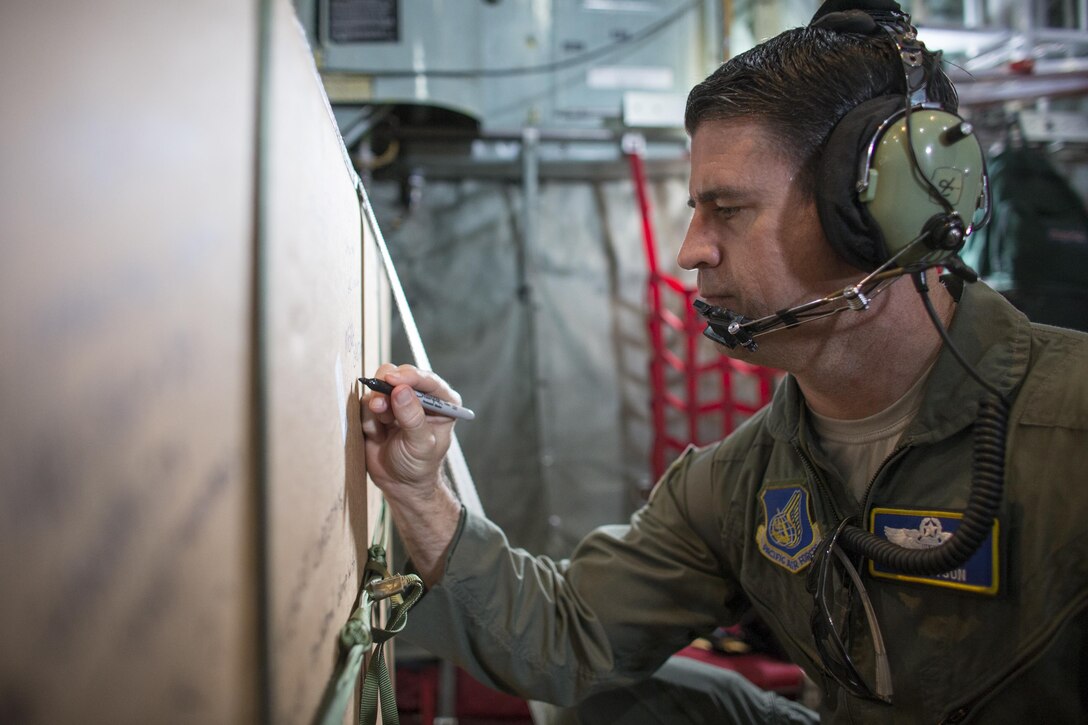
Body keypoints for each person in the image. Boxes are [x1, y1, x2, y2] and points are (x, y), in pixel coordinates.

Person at [361, 0, 1088, 722]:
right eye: (694, 212)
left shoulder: (1068, 426)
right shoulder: (744, 479)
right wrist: (421, 491)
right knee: (614, 706)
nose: (691, 251)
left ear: (879, 215)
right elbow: (567, 636)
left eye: (728, 210)